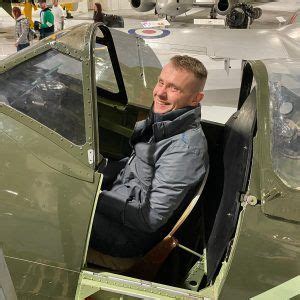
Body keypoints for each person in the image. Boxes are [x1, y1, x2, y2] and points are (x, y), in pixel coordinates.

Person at [90, 55, 209, 262]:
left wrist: (93, 198)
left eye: (174, 88)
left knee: (43, 208)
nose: (160, 93)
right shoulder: (163, 122)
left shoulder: (184, 151)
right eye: (161, 82)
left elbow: (149, 218)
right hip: (116, 206)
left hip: (126, 236)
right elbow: (132, 168)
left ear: (195, 99)